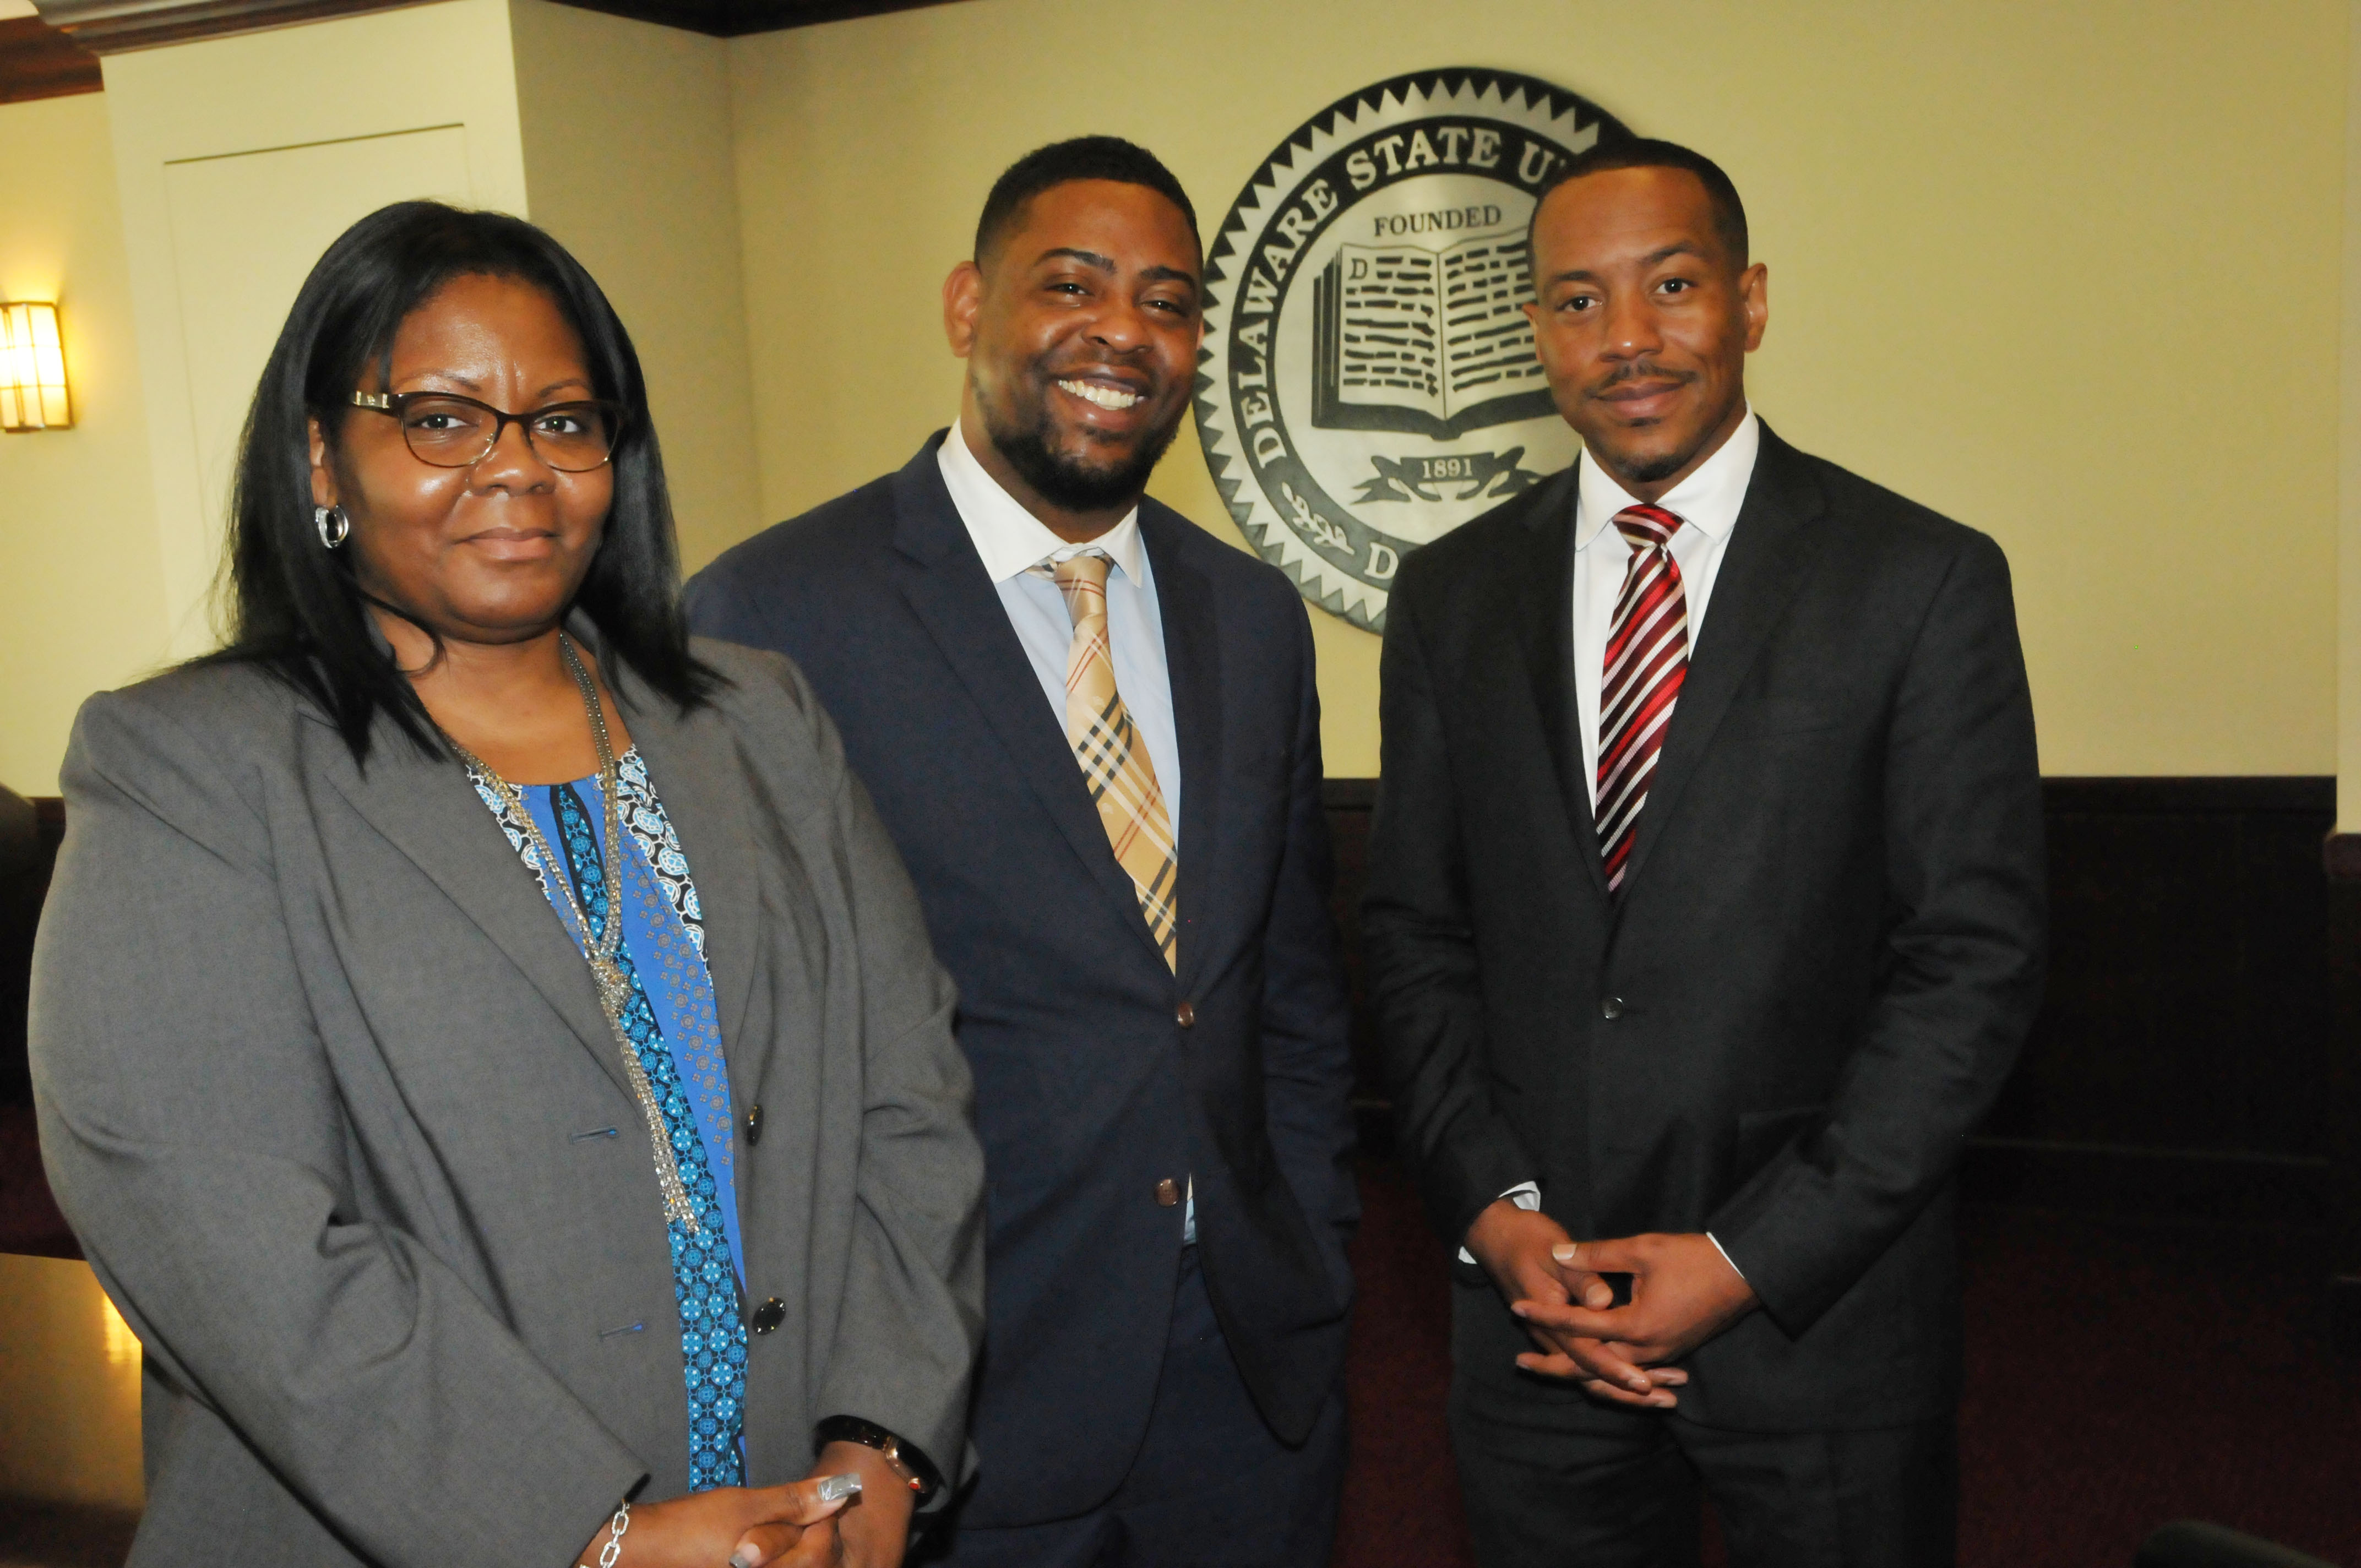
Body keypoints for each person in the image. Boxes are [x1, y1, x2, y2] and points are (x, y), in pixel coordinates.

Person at [30, 202, 984, 1568]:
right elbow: (224, 1232)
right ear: (322, 457)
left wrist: (882, 1440)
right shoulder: (193, 770)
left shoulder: (761, 721)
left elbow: (912, 1098)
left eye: (562, 420)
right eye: (439, 419)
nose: (516, 468)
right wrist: (584, 1533)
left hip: (796, 1521)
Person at [1363, 139, 2047, 1565]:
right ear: (1537, 330)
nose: (1626, 340)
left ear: (1749, 300)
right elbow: (1416, 934)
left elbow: (1969, 971)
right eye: (1574, 302)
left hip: (1826, 1324)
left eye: (1669, 286)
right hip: (1536, 1329)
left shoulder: (1920, 581)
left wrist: (1748, 1260)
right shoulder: (1448, 596)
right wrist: (1497, 1217)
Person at [684, 138, 1356, 1566]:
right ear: (966, 307)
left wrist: (1320, 1253)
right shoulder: (768, 616)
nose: (1124, 330)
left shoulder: (1251, 615)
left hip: (1246, 1379)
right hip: (949, 1397)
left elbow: (1288, 992)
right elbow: (735, 1069)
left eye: (1169, 302)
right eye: (1073, 283)